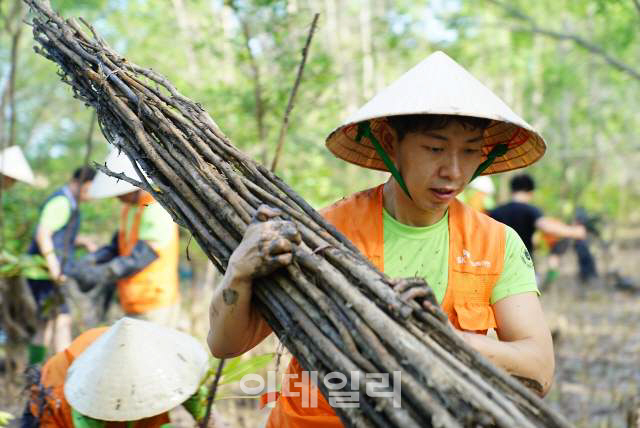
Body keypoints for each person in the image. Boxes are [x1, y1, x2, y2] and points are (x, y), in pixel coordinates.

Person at [207, 51, 555, 426]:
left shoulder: (495, 243)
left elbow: (539, 370)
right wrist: (239, 273)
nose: (453, 171)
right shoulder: (323, 231)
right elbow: (227, 344)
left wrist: (444, 339)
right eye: (435, 148)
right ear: (391, 143)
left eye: (470, 152)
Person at [23, 317, 209, 428]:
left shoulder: (166, 364)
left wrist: (206, 418)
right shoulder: (83, 390)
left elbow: (203, 410)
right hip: (59, 408)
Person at [71, 150, 180, 327]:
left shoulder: (156, 208)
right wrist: (92, 260)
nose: (117, 197)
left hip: (155, 301)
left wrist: (103, 272)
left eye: (120, 193)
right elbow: (118, 246)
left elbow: (142, 256)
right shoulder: (130, 207)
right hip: (131, 298)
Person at [25, 166, 96, 364]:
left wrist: (83, 241)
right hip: (46, 273)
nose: (91, 195)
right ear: (78, 183)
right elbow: (43, 234)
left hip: (44, 272)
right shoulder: (62, 202)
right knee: (61, 322)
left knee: (46, 324)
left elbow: (59, 234)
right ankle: (63, 374)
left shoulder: (69, 203)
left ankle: (38, 372)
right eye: (89, 189)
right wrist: (55, 269)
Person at [490, 174, 587, 260]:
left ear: (512, 190)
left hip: (497, 264)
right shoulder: (530, 210)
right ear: (530, 192)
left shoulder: (495, 212)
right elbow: (546, 227)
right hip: (521, 264)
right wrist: (574, 232)